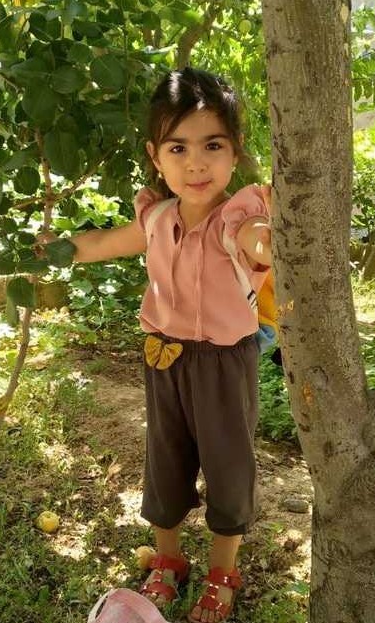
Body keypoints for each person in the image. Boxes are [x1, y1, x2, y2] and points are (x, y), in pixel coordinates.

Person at [38, 67, 271, 623]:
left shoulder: (237, 217)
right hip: (163, 356)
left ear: (235, 151)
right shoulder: (157, 216)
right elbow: (103, 242)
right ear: (156, 156)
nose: (196, 164)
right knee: (165, 459)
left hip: (224, 363)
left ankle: (223, 570)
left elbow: (257, 241)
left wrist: (272, 240)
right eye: (178, 147)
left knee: (228, 464)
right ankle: (168, 560)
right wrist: (58, 248)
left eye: (213, 145)